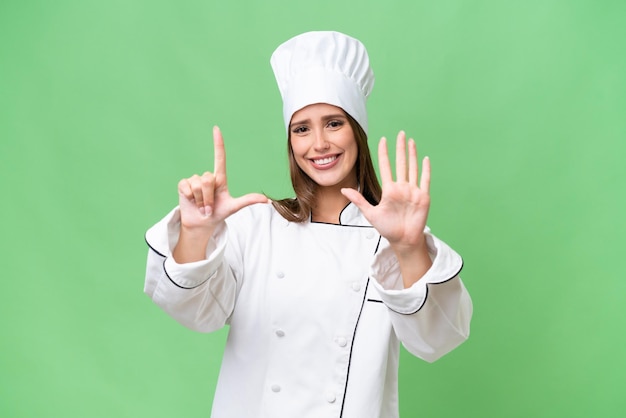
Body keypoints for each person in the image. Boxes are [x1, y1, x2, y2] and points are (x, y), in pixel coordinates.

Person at [144, 31, 472, 418]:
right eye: (302, 129)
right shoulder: (256, 227)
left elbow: (438, 338)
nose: (318, 144)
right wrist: (196, 234)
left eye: (333, 123)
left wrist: (407, 249)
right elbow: (194, 311)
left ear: (357, 131)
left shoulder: (395, 238)